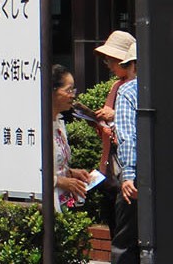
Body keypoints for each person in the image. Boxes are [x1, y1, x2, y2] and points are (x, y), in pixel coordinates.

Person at [94, 30, 139, 264]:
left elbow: (128, 135)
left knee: (124, 240)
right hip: (113, 169)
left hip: (126, 173)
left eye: (113, 60)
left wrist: (130, 173)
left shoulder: (127, 90)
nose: (110, 65)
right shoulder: (115, 88)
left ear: (129, 62)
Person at [50, 65, 95, 211]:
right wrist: (60, 181)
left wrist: (70, 173)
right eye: (68, 90)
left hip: (62, 201)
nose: (72, 95)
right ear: (52, 91)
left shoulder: (59, 122)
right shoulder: (36, 127)